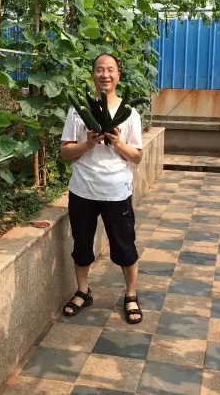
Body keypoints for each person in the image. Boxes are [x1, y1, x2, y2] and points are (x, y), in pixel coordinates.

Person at [60, 53, 144, 324]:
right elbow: (65, 151)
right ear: (93, 75)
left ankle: (130, 294)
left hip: (116, 191)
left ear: (118, 75)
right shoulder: (78, 111)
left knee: (124, 244)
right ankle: (83, 291)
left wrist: (117, 143)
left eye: (110, 70)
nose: (104, 75)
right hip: (82, 190)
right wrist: (88, 143)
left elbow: (137, 156)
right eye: (99, 70)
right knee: (82, 244)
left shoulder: (130, 114)